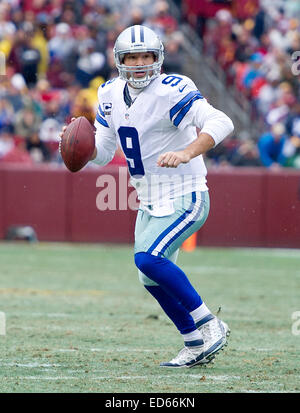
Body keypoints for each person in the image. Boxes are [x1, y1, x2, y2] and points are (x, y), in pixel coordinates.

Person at [60, 25, 234, 368]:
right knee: (148, 274)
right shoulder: (109, 93)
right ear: (119, 60)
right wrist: (75, 145)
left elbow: (222, 121)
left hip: (186, 192)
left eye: (146, 56)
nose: (140, 64)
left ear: (159, 59)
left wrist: (187, 151)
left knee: (148, 258)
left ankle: (210, 323)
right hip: (149, 197)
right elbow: (104, 151)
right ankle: (194, 342)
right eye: (132, 57)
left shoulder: (174, 89)